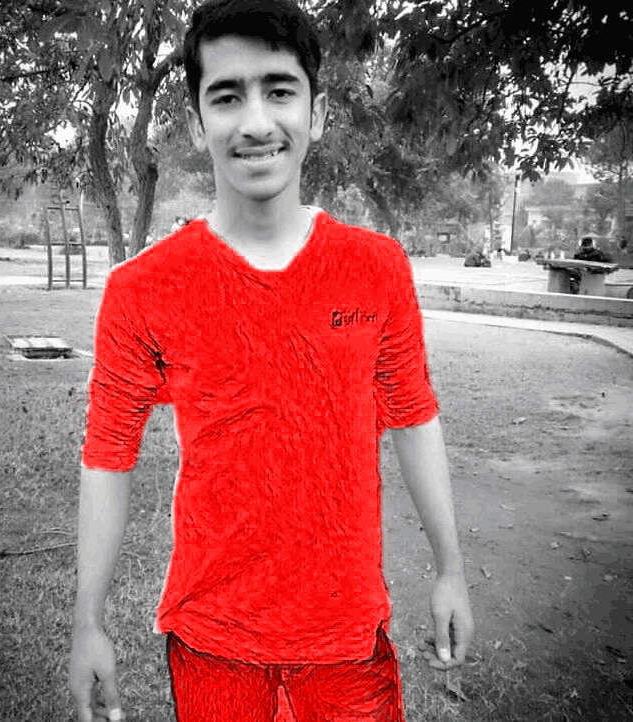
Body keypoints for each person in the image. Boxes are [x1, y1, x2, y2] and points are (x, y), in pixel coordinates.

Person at [69, 1, 474, 720]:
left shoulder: (375, 269)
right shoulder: (143, 289)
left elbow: (413, 417)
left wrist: (450, 569)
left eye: (279, 90)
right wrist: (88, 621)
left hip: (349, 638)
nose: (256, 122)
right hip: (212, 642)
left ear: (317, 113)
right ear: (196, 122)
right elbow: (108, 454)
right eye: (227, 96)